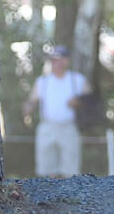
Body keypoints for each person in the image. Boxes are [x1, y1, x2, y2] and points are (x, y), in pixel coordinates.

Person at [23, 45, 89, 178]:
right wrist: (28, 108)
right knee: (46, 169)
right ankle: (48, 198)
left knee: (71, 170)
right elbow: (32, 100)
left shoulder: (78, 80)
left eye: (62, 59)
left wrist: (79, 102)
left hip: (69, 126)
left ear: (67, 61)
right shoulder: (43, 81)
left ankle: (70, 197)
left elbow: (91, 102)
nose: (58, 63)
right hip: (47, 127)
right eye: (54, 60)